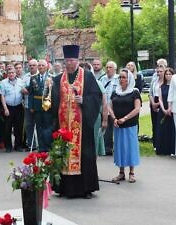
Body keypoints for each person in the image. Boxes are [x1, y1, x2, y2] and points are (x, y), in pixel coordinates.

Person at [52, 44, 102, 198]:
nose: (70, 63)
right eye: (67, 60)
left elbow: (96, 97)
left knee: (84, 156)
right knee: (63, 154)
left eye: (72, 60)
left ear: (78, 60)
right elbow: (54, 100)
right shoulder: (58, 79)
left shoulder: (87, 76)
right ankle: (63, 188)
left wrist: (84, 100)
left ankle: (85, 188)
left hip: (82, 126)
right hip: (63, 126)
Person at [109, 68, 141, 183]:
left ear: (129, 79)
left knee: (130, 147)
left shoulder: (134, 92)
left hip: (130, 124)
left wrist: (125, 118)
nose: (121, 79)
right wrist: (114, 118)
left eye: (124, 77)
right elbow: (110, 107)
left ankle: (132, 173)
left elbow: (137, 108)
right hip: (118, 124)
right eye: (120, 77)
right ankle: (121, 172)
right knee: (119, 148)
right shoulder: (115, 91)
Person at [28, 59, 53, 152]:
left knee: (47, 127)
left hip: (48, 106)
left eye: (43, 65)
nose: (41, 67)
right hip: (37, 106)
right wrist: (31, 106)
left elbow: (53, 93)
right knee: (39, 127)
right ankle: (41, 147)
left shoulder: (51, 77)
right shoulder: (33, 78)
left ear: (46, 66)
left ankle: (48, 146)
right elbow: (30, 93)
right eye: (39, 65)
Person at [0, 68, 26, 152]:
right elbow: (2, 96)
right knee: (7, 128)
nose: (11, 74)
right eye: (9, 73)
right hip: (8, 107)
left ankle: (18, 145)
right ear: (7, 74)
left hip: (18, 107)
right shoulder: (3, 82)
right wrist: (5, 108)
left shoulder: (21, 81)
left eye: (13, 72)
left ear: (15, 73)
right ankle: (8, 146)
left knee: (18, 127)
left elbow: (24, 93)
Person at [99, 61, 119, 155]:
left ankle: (118, 148)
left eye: (110, 67)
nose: (108, 69)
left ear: (115, 69)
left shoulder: (118, 79)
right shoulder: (102, 79)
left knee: (117, 129)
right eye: (107, 67)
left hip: (115, 109)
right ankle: (107, 149)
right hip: (104, 108)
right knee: (106, 130)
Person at [156, 68, 175, 156]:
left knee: (171, 130)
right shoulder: (161, 86)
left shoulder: (175, 87)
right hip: (163, 110)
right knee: (162, 129)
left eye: (169, 74)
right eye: (166, 74)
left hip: (172, 111)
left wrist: (170, 109)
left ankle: (171, 149)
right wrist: (163, 109)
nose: (168, 76)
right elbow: (160, 98)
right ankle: (162, 149)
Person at [23, 59, 39, 151]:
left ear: (36, 66)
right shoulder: (25, 77)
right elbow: (22, 88)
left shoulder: (39, 76)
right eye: (30, 65)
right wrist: (23, 90)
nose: (32, 67)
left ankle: (42, 144)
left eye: (33, 65)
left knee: (40, 125)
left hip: (38, 105)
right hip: (27, 105)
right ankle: (31, 145)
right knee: (29, 125)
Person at [149, 65, 165, 151]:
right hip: (154, 101)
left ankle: (162, 143)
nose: (159, 73)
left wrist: (159, 103)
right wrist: (153, 103)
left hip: (162, 102)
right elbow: (150, 93)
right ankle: (155, 143)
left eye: (161, 71)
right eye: (157, 72)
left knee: (162, 124)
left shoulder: (167, 82)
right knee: (154, 123)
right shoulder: (154, 81)